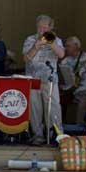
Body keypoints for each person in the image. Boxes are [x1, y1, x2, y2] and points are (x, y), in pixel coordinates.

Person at [22, 15, 65, 145]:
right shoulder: (30, 39)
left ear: (50, 28)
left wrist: (51, 42)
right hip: (33, 79)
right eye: (40, 27)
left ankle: (56, 135)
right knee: (35, 109)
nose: (42, 30)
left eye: (45, 27)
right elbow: (26, 58)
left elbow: (61, 54)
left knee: (53, 108)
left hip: (50, 79)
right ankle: (37, 136)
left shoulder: (56, 40)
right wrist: (36, 46)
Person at [58, 36, 86, 125]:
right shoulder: (65, 60)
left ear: (76, 46)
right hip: (68, 89)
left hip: (83, 88)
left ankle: (79, 128)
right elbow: (60, 77)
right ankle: (61, 127)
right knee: (59, 102)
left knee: (82, 107)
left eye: (68, 46)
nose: (66, 48)